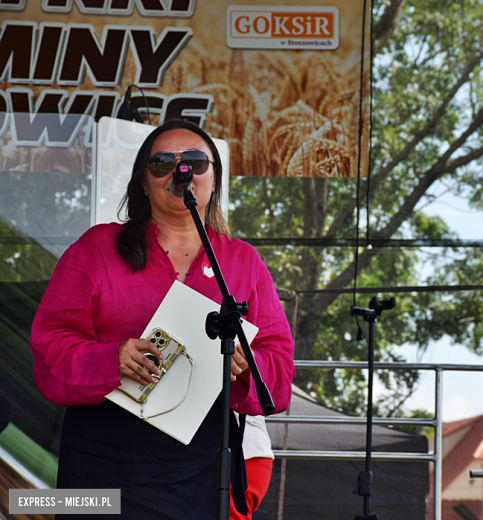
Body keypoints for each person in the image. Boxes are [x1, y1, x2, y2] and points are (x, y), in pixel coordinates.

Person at [29, 118, 295, 519]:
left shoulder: (242, 261)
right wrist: (111, 358)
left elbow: (278, 370)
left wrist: (245, 365)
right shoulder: (96, 249)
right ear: (143, 180)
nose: (179, 171)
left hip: (201, 464)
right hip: (101, 457)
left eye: (194, 161)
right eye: (161, 163)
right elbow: (50, 349)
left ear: (213, 178)